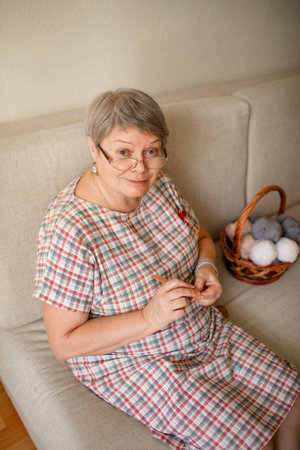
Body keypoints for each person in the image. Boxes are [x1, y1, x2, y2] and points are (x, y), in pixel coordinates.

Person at [34, 88, 300, 449]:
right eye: (123, 152)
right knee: (254, 443)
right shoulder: (69, 230)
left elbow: (202, 238)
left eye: (152, 151)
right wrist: (148, 317)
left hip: (202, 330)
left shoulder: (160, 186)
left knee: (294, 407)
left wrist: (207, 268)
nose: (140, 168)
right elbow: (63, 343)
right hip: (137, 362)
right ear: (94, 149)